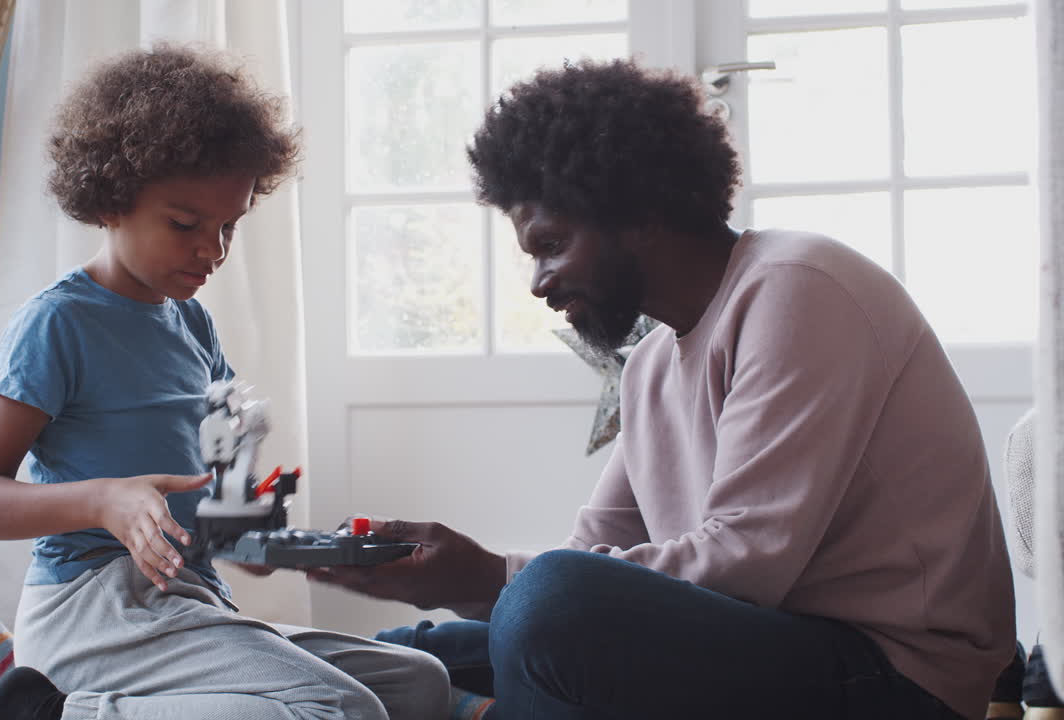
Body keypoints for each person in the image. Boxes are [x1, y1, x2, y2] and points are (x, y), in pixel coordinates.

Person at [307, 58, 1016, 720]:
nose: (538, 282)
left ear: (639, 213)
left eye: (551, 244)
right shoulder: (650, 366)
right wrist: (448, 579)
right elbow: (593, 557)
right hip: (767, 642)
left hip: (896, 673)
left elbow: (746, 563)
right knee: (390, 656)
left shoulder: (796, 286)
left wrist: (495, 576)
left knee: (550, 606)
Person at [0, 45, 449, 720]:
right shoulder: (59, 323)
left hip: (187, 599)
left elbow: (203, 503)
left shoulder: (193, 326)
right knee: (343, 709)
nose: (212, 250)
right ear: (111, 199)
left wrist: (254, 534)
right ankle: (42, 711)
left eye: (229, 226)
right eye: (185, 225)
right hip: (93, 609)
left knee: (419, 683)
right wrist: (105, 503)